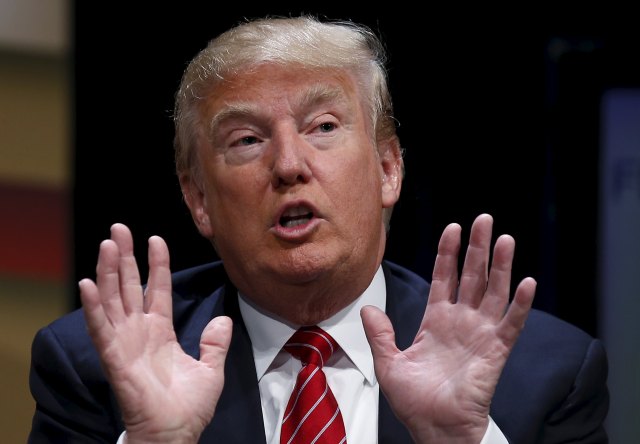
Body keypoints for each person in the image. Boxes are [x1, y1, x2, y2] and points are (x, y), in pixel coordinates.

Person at [28, 14, 609, 444]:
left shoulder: (544, 373)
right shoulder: (96, 372)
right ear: (198, 199)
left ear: (388, 168)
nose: (288, 164)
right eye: (247, 140)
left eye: (323, 126)